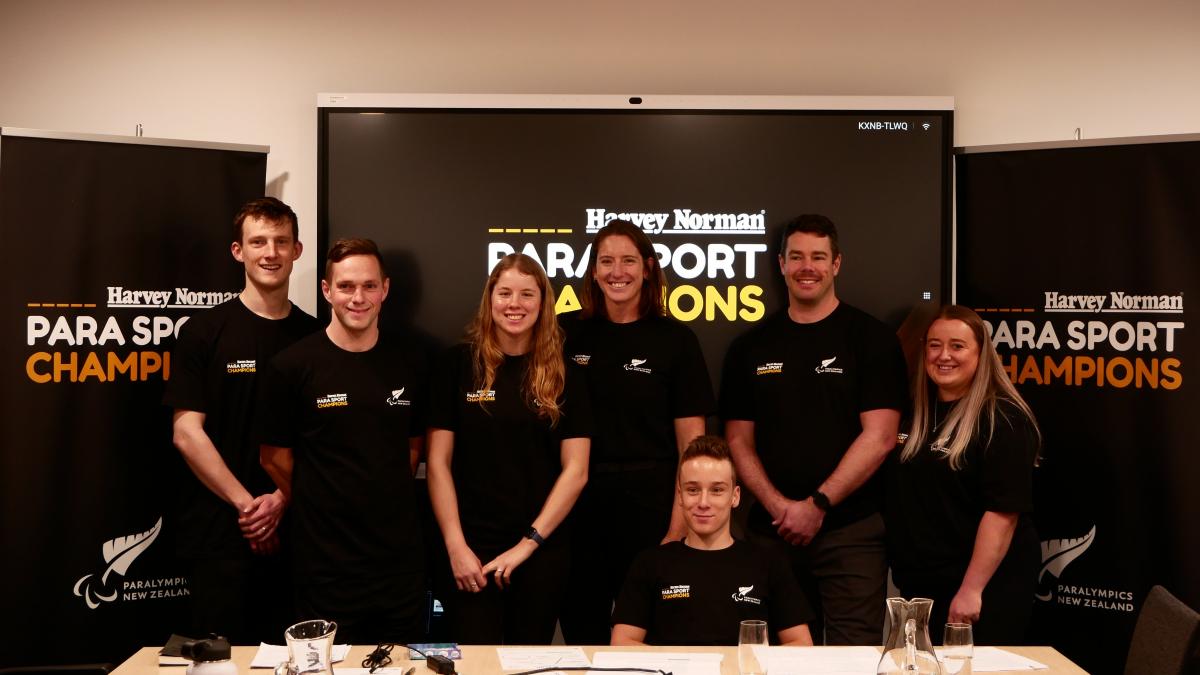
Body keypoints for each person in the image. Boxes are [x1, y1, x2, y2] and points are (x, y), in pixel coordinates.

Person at [720, 214, 907, 645]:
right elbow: (737, 440)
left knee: (851, 658)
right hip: (771, 533)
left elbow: (880, 437)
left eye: (819, 257)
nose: (808, 267)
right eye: (797, 256)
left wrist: (817, 504)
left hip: (851, 533)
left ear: (837, 264)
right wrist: (779, 507)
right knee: (775, 659)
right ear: (781, 264)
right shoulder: (750, 346)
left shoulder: (872, 339)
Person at [258, 238, 429, 645]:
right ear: (326, 290)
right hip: (324, 567)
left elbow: (413, 446)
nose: (359, 297)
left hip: (399, 567)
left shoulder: (412, 361)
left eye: (369, 286)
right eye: (347, 286)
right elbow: (273, 458)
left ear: (385, 290)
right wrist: (325, 497)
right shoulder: (291, 366)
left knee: (401, 670)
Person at [163, 197, 317, 643]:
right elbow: (186, 433)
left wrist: (279, 501)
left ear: (297, 251)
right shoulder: (204, 332)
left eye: (281, 242)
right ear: (238, 251)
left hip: (297, 533)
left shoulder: (315, 337)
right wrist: (248, 506)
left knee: (298, 664)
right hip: (220, 534)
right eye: (258, 242)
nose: (270, 252)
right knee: (220, 665)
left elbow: (320, 442)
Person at [559, 219, 715, 644]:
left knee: (654, 630)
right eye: (606, 261)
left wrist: (679, 520)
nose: (617, 271)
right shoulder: (565, 333)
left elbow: (692, 443)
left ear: (647, 268)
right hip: (579, 502)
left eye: (628, 260)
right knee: (583, 628)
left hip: (651, 501)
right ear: (593, 271)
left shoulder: (676, 340)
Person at [426, 253, 591, 644]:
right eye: (504, 293)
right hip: (469, 552)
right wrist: (456, 547)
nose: (514, 304)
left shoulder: (567, 374)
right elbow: (437, 464)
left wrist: (527, 546)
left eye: (526, 294)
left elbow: (576, 470)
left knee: (527, 661)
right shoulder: (456, 366)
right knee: (474, 665)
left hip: (540, 552)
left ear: (543, 303)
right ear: (490, 299)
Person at [883, 305, 1041, 645]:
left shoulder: (1004, 419)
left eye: (957, 346)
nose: (944, 356)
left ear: (981, 354)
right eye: (935, 345)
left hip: (984, 585)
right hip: (923, 583)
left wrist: (972, 590)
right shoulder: (916, 412)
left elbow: (1002, 514)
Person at [611, 435, 814, 646]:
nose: (703, 502)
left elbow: (800, 644)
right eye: (693, 490)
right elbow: (622, 643)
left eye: (716, 490)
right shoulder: (650, 563)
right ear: (680, 496)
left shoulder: (768, 563)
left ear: (735, 497)